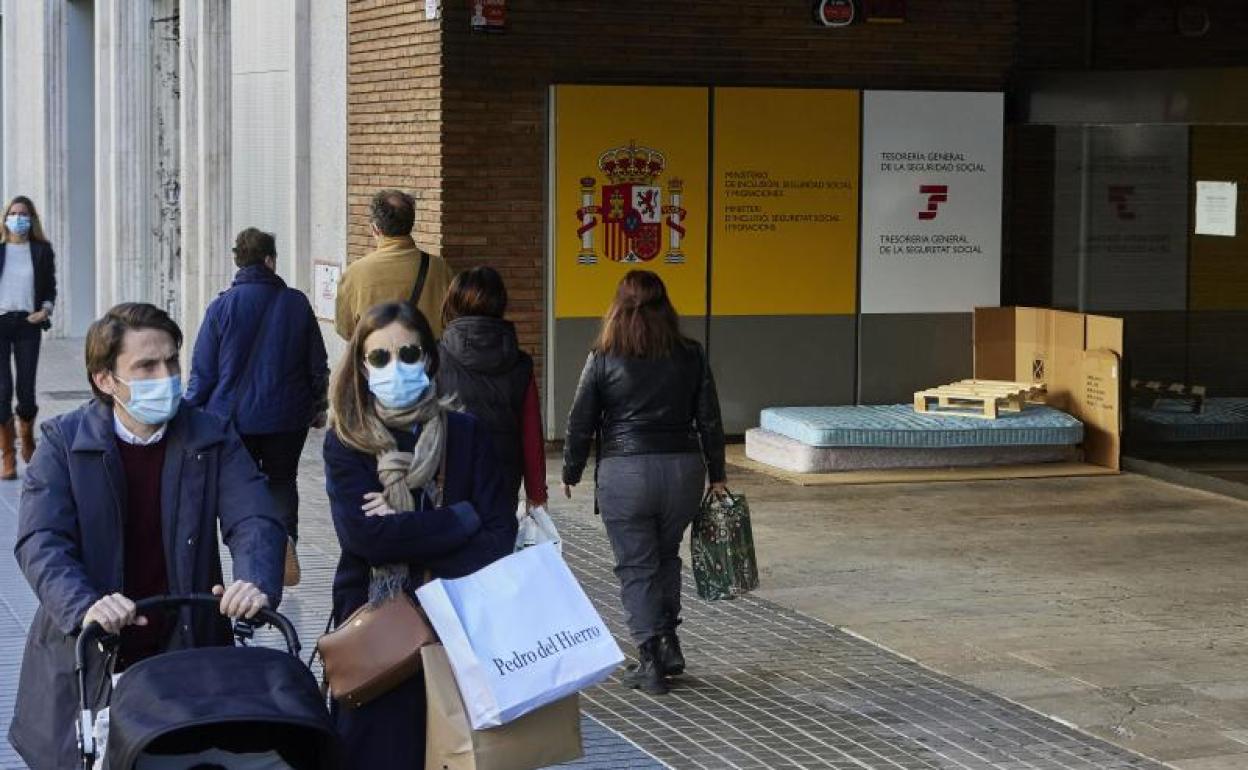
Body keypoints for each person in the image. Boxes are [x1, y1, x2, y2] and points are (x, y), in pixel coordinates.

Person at [8, 303, 286, 769]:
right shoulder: (63, 442)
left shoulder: (211, 435)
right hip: (92, 654)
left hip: (186, 648)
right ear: (105, 380)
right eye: (146, 366)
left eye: (172, 361)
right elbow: (40, 540)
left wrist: (253, 580)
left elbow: (254, 518)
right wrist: (85, 605)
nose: (166, 376)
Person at [323, 301, 516, 766]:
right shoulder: (348, 440)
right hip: (376, 632)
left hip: (459, 628)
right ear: (363, 368)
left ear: (429, 358)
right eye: (380, 357)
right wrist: (458, 519)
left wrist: (405, 525)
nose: (397, 367)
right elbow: (364, 539)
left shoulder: (467, 434)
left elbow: (497, 538)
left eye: (408, 355)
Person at [562, 270, 727, 696]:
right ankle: (669, 642)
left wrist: (571, 470)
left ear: (618, 306)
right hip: (683, 472)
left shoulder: (603, 355)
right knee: (667, 555)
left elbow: (581, 421)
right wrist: (719, 474)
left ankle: (650, 656)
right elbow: (709, 417)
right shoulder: (691, 354)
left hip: (626, 472)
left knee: (636, 565)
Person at [185, 228, 329, 586]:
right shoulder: (296, 302)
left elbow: (203, 371)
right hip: (287, 417)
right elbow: (317, 362)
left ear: (238, 261)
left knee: (239, 488)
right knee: (282, 481)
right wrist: (319, 404)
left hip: (234, 421)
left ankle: (249, 558)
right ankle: (284, 544)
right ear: (270, 260)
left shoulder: (220, 307)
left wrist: (189, 412)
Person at [437, 266, 548, 511]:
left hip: (447, 477)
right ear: (500, 304)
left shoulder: (435, 358)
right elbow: (531, 435)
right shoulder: (520, 364)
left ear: (452, 303)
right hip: (502, 480)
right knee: (497, 547)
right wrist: (537, 494)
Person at [334, 190, 453, 340]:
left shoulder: (354, 274)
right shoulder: (439, 269)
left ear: (375, 228)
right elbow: (451, 320)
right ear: (411, 223)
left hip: (376, 359)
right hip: (427, 358)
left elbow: (345, 329)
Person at [0, 196, 57, 480]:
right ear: (5, 217)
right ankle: (8, 454)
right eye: (13, 213)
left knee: (25, 389)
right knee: (1, 390)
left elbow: (50, 288)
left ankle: (27, 439)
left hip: (27, 324)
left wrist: (44, 311)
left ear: (31, 218)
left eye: (23, 214)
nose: (18, 218)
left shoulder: (42, 251)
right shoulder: (0, 250)